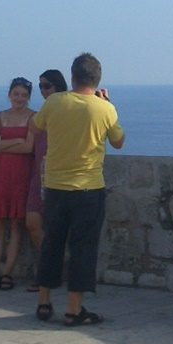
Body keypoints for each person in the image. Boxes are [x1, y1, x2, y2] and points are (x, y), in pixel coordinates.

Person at [29, 52, 125, 325]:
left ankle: (44, 303)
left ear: (72, 77)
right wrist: (106, 104)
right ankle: (74, 310)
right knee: (83, 248)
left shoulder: (55, 102)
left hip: (56, 188)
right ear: (97, 80)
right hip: (89, 189)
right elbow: (119, 142)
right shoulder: (105, 108)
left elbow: (35, 129)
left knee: (51, 245)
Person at [0, 77, 36, 290]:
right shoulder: (0, 116)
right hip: (2, 177)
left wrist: (3, 145)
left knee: (16, 225)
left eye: (23, 95)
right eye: (16, 94)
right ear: (10, 95)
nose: (19, 98)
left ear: (28, 97)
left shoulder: (33, 118)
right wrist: (16, 141)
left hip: (21, 178)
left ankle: (7, 273)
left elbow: (29, 149)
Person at [24, 69, 69, 291]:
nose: (42, 90)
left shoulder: (65, 109)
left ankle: (46, 277)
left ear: (58, 86)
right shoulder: (43, 112)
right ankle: (49, 270)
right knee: (32, 223)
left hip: (57, 175)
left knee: (53, 229)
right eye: (40, 86)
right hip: (38, 175)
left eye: (47, 86)